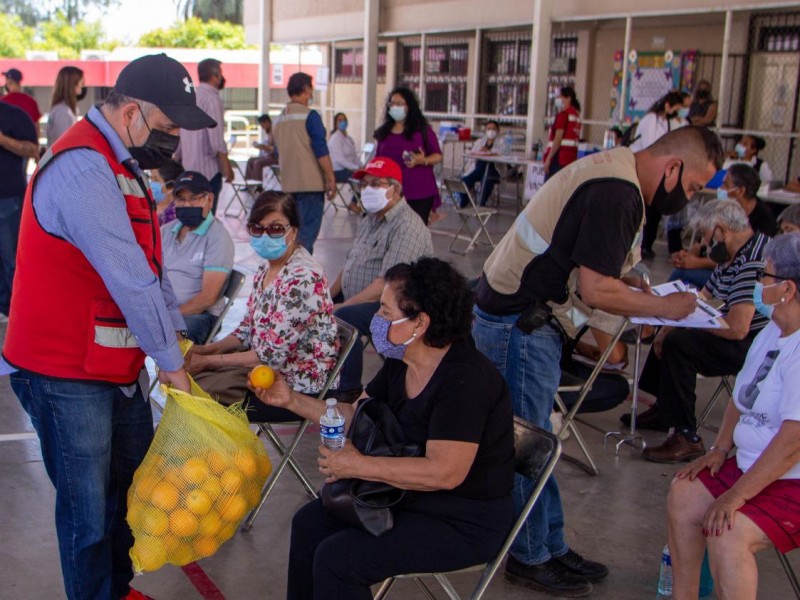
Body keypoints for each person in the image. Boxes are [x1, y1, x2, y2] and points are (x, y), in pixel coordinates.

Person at [472, 126, 722, 597]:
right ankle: (529, 556)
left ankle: (550, 542)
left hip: (524, 314)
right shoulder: (619, 192)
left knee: (544, 439)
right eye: (691, 187)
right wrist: (666, 308)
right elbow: (595, 289)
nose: (687, 199)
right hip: (519, 322)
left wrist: (628, 281)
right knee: (530, 445)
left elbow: (596, 260)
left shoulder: (618, 169)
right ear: (672, 167)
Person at [1, 53, 214, 600]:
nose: (171, 143)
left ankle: (117, 590)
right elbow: (128, 276)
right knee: (87, 515)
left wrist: (176, 342)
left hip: (112, 368)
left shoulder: (124, 167)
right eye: (167, 128)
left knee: (128, 495)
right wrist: (170, 365)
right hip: (64, 372)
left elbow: (152, 269)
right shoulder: (82, 166)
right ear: (133, 114)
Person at [252, 257, 515, 600]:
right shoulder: (402, 362)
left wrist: (357, 465)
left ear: (420, 322)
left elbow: (445, 473)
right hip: (405, 495)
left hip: (461, 519)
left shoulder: (465, 381)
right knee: (309, 523)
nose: (376, 320)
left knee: (338, 559)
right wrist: (290, 400)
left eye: (387, 313)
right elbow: (355, 415)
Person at [666, 233, 800, 600]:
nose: (758, 285)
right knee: (683, 493)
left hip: (791, 479)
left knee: (727, 530)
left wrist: (734, 496)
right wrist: (720, 448)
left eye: (765, 277)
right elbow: (741, 397)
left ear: (787, 289)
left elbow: (792, 445)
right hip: (751, 463)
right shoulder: (773, 330)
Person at [634, 200, 770, 463]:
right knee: (669, 330)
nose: (707, 245)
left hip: (756, 345)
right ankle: (665, 408)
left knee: (680, 344)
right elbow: (705, 295)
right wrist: (670, 320)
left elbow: (737, 328)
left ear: (721, 230)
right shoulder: (735, 251)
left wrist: (682, 326)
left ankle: (687, 436)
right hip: (747, 335)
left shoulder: (752, 261)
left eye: (707, 237)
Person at [188, 191, 338, 417]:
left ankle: (212, 452)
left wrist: (209, 361)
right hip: (263, 368)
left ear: (293, 231)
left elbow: (268, 356)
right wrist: (205, 350)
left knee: (198, 392)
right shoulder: (266, 269)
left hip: (293, 383)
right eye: (257, 228)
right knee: (188, 380)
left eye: (276, 228)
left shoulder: (302, 278)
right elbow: (246, 329)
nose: (265, 235)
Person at [329, 157, 433, 400]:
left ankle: (349, 390)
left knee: (344, 317)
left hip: (395, 306)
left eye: (375, 184)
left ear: (394, 190)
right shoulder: (371, 219)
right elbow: (349, 265)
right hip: (363, 297)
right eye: (364, 185)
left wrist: (344, 305)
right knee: (317, 310)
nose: (367, 190)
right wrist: (327, 297)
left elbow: (387, 285)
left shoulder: (407, 226)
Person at [669, 164, 779, 289]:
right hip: (719, 269)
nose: (720, 188)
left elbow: (745, 260)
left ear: (740, 191)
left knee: (682, 275)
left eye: (725, 184)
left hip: (741, 277)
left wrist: (697, 263)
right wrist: (688, 255)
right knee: (689, 286)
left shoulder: (764, 220)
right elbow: (703, 243)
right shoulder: (723, 210)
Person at [161, 171, 234, 344]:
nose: (187, 204)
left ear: (209, 199)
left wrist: (169, 316)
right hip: (166, 311)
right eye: (181, 199)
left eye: (194, 199)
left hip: (200, 316)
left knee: (176, 335)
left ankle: (172, 371)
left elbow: (208, 297)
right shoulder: (165, 231)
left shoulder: (217, 237)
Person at [272, 72, 336, 253]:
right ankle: (300, 272)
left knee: (291, 232)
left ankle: (289, 269)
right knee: (306, 234)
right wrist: (331, 178)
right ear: (306, 90)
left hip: (288, 184)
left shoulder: (278, 119)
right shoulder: (310, 116)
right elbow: (321, 150)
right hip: (311, 185)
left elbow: (277, 152)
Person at [631, 91, 689, 259]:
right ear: (667, 106)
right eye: (676, 109)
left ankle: (647, 245)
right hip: (644, 166)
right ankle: (640, 246)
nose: (677, 114)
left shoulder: (667, 122)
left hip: (659, 169)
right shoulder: (651, 119)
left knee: (655, 209)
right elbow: (652, 145)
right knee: (646, 209)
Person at [374, 87, 443, 225]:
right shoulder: (384, 133)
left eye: (399, 104)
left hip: (419, 192)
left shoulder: (422, 130)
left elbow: (437, 156)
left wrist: (422, 160)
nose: (395, 107)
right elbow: (378, 161)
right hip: (390, 193)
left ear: (409, 106)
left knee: (414, 233)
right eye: (392, 104)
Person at [175, 58, 234, 214]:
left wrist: (177, 157)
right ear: (215, 76)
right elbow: (216, 141)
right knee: (206, 219)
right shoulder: (212, 99)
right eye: (221, 74)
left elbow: (181, 132)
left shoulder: (190, 97)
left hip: (188, 168)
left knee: (191, 216)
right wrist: (227, 168)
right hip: (208, 172)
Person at [0, 102, 39, 323]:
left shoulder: (14, 115)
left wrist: (3, 140)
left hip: (8, 199)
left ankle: (17, 310)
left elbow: (34, 150)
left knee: (12, 258)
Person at [458, 119, 501, 207]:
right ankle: (464, 202)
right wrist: (480, 151)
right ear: (486, 130)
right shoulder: (479, 142)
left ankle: (481, 205)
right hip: (478, 168)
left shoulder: (501, 143)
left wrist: (489, 152)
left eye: (493, 129)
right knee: (464, 181)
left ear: (498, 131)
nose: (491, 131)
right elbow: (472, 155)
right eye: (489, 129)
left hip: (493, 170)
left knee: (486, 179)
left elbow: (501, 154)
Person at [328, 111, 363, 213]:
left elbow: (354, 156)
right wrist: (356, 168)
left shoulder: (348, 138)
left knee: (365, 175)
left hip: (348, 169)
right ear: (335, 124)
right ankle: (353, 203)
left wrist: (362, 166)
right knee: (360, 177)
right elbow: (341, 160)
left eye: (344, 120)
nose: (343, 122)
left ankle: (358, 202)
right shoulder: (335, 139)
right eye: (340, 120)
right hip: (338, 171)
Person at [543, 86, 582, 178]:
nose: (557, 99)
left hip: (558, 158)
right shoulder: (576, 116)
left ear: (568, 98)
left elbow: (558, 139)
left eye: (560, 96)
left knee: (550, 189)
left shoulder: (563, 115)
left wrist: (549, 158)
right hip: (570, 159)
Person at [46, 66, 85, 147]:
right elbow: (63, 144)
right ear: (73, 84)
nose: (83, 84)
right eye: (81, 82)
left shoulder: (65, 110)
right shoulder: (63, 112)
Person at [1, 68, 42, 138]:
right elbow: (37, 129)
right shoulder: (31, 102)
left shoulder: (2, 102)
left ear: (9, 82)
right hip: (27, 144)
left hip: (6, 145)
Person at [150, 158, 184, 225]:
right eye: (151, 179)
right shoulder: (150, 205)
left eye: (156, 180)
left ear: (170, 187)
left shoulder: (174, 217)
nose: (150, 184)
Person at [245, 113, 278, 180]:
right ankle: (249, 183)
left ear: (267, 122)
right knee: (250, 160)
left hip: (275, 157)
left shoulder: (275, 131)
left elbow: (275, 149)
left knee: (258, 163)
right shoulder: (268, 132)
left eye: (263, 125)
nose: (262, 127)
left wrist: (264, 147)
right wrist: (260, 146)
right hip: (268, 155)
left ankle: (257, 185)